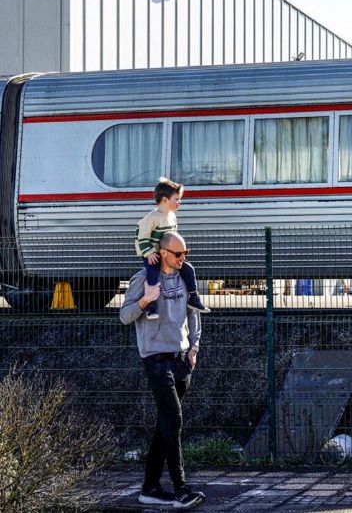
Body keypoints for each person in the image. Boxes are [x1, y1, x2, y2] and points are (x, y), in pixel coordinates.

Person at [120, 231, 206, 509]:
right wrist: (146, 300)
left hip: (181, 358)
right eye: (178, 254)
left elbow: (194, 314)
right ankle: (181, 490)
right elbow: (124, 316)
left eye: (186, 254)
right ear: (163, 253)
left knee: (165, 425)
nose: (183, 259)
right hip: (156, 358)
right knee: (174, 419)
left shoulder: (185, 278)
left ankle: (150, 488)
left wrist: (193, 349)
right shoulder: (143, 279)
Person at [135, 177, 210, 319]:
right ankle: (152, 306)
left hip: (168, 255)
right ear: (164, 200)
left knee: (188, 269)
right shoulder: (151, 218)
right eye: (176, 199)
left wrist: (178, 252)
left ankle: (194, 298)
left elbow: (173, 236)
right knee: (153, 274)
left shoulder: (172, 217)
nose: (179, 202)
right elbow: (142, 237)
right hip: (154, 254)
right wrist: (150, 253)